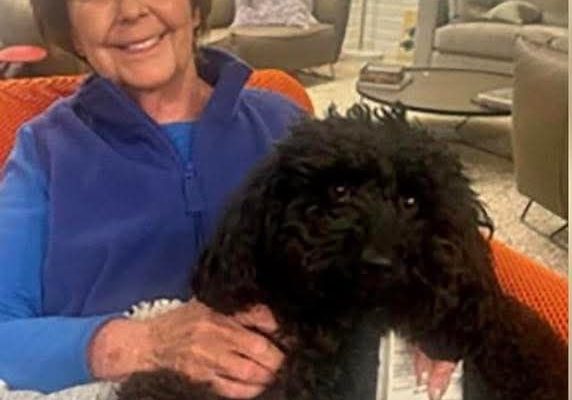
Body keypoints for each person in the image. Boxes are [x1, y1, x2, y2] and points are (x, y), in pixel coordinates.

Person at [0, 0, 455, 398]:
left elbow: (397, 250)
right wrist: (140, 345)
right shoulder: (44, 152)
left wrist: (423, 324)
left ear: (195, 8)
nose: (132, 10)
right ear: (71, 29)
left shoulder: (288, 127)